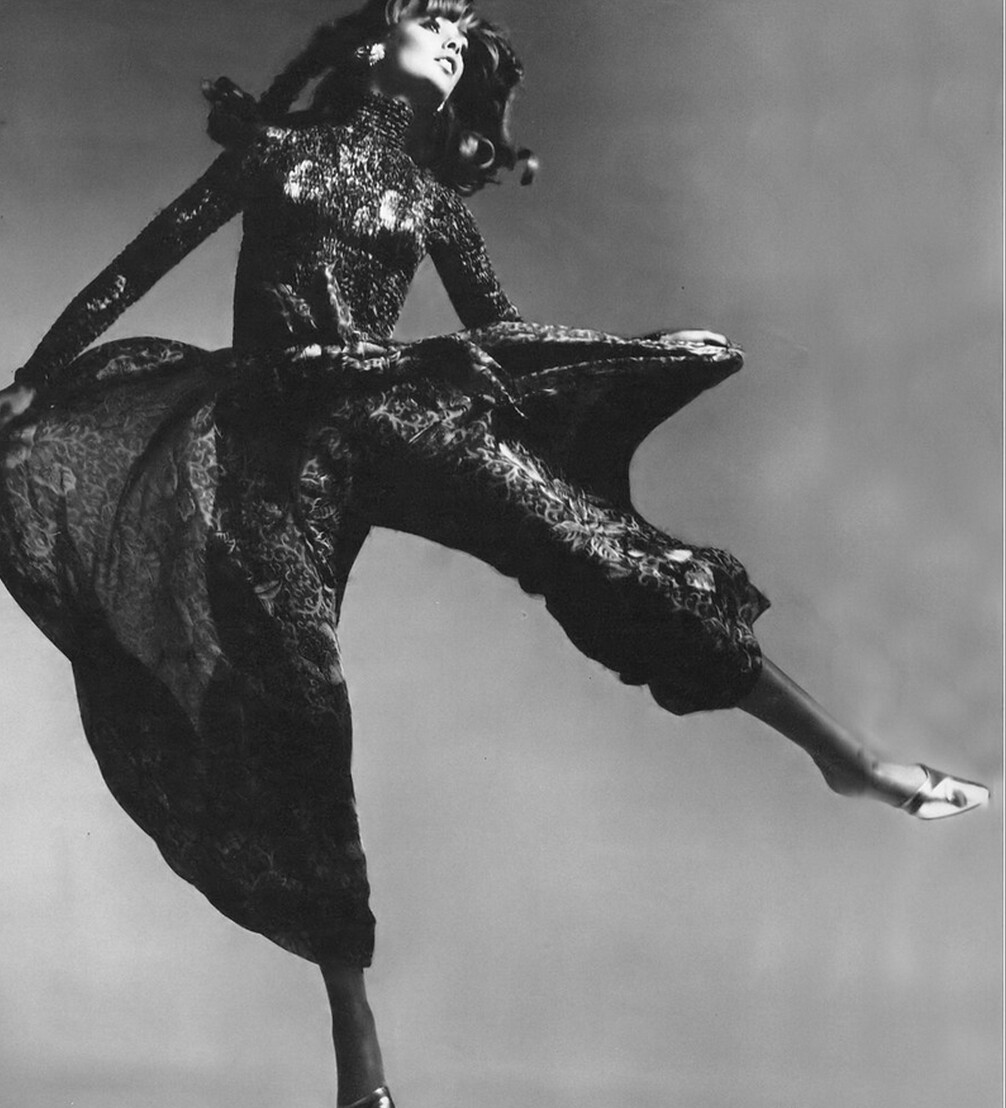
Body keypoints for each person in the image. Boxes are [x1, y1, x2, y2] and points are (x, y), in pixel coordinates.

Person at [0, 2, 990, 1105]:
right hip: (270, 440)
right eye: (434, 21)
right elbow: (138, 264)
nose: (453, 40)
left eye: (465, 41)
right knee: (293, 705)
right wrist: (35, 380)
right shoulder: (273, 154)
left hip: (400, 407)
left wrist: (629, 354)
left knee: (600, 556)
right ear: (370, 45)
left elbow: (500, 332)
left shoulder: (431, 202)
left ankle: (848, 759)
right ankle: (360, 1059)